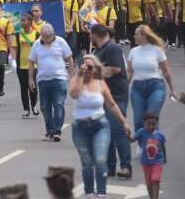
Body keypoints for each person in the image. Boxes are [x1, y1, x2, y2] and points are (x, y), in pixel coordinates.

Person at [69, 54, 131, 197]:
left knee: (100, 160)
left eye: (90, 67)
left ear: (96, 69)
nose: (87, 70)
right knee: (87, 163)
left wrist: (124, 122)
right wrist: (79, 75)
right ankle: (90, 193)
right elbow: (73, 94)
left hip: (100, 126)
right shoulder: (76, 81)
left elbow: (112, 104)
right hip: (80, 127)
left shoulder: (101, 84)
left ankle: (101, 194)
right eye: (84, 66)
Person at [90, 24, 132, 179]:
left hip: (116, 95)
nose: (90, 38)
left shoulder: (112, 48)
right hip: (103, 95)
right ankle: (110, 167)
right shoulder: (98, 50)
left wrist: (93, 72)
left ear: (95, 35)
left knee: (117, 131)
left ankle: (126, 166)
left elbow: (114, 69)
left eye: (91, 35)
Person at [28, 23, 75, 142]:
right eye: (44, 37)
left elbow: (69, 58)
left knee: (58, 104)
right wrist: (30, 79)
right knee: (45, 107)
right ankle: (50, 130)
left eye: (48, 37)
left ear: (53, 34)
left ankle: (57, 130)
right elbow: (31, 62)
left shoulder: (61, 42)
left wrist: (72, 76)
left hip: (59, 79)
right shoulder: (37, 44)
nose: (46, 39)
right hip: (43, 80)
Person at [127, 25, 175, 132]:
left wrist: (172, 89)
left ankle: (154, 147)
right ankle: (142, 146)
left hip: (156, 87)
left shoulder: (157, 50)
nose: (134, 37)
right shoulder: (133, 51)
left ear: (144, 35)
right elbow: (129, 72)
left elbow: (166, 70)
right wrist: (124, 87)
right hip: (137, 89)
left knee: (151, 119)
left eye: (136, 34)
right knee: (138, 120)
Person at [129, 112, 166, 199]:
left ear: (156, 123)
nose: (151, 126)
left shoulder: (160, 135)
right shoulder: (141, 132)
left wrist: (164, 158)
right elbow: (132, 140)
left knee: (155, 180)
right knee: (149, 182)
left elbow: (162, 146)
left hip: (157, 162)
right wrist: (127, 135)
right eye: (148, 124)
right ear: (144, 122)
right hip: (145, 163)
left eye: (153, 124)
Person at [11, 12, 39, 118]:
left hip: (33, 66)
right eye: (21, 20)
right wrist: (13, 60)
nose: (22, 22)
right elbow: (14, 48)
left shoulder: (36, 34)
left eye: (24, 20)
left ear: (30, 22)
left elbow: (41, 49)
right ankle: (26, 109)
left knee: (32, 87)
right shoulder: (18, 34)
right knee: (23, 88)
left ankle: (34, 105)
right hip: (21, 65)